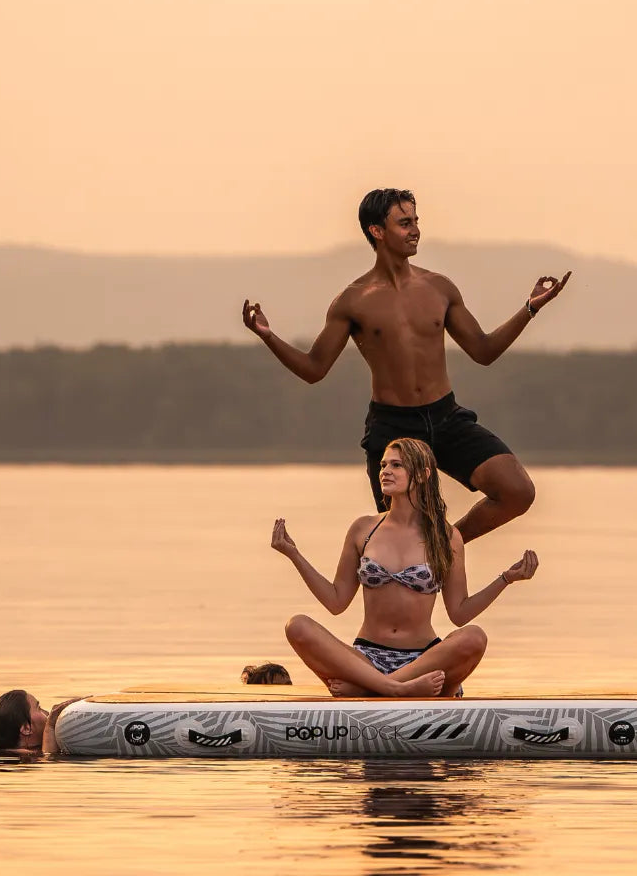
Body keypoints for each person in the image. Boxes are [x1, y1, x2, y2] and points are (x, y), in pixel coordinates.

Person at [243, 187, 571, 543]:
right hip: (392, 428)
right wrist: (267, 335)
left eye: (416, 221)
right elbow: (313, 369)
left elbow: (484, 350)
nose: (415, 230)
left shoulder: (439, 287)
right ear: (377, 231)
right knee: (397, 540)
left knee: (518, 491)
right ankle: (416, 557)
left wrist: (530, 308)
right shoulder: (353, 301)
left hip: (446, 418)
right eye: (404, 223)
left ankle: (442, 545)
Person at [271, 437, 538, 697]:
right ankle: (392, 687)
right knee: (297, 626)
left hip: (425, 661)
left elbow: (459, 613)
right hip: (366, 658)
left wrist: (505, 579)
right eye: (384, 465)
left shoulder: (446, 536)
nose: (385, 471)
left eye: (396, 465)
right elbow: (336, 601)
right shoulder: (363, 529)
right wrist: (294, 554)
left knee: (474, 637)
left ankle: (373, 687)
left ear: (421, 474)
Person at [0, 690, 85, 755]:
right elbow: (49, 760)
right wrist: (50, 728)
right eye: (39, 708)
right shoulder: (28, 757)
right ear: (26, 728)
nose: (47, 712)